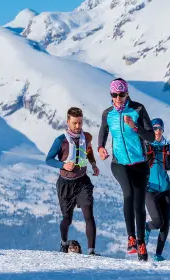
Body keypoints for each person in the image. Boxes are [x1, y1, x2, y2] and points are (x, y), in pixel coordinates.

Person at [98, 78, 155, 261]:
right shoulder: (108, 114)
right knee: (128, 194)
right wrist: (100, 147)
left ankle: (140, 242)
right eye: (115, 95)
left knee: (139, 205)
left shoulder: (138, 109)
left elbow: (151, 137)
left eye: (121, 94)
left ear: (127, 93)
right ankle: (130, 236)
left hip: (140, 164)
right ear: (111, 95)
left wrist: (134, 126)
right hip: (119, 164)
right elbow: (103, 132)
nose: (118, 98)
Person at [46, 107, 100, 256]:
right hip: (65, 184)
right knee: (67, 219)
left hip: (83, 182)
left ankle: (91, 251)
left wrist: (93, 164)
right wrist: (63, 165)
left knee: (88, 215)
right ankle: (64, 243)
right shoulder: (60, 141)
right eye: (75, 123)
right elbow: (48, 160)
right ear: (68, 122)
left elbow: (88, 150)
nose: (78, 126)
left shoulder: (86, 136)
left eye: (80, 123)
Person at [144, 118, 170, 262]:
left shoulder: (168, 148)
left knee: (166, 223)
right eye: (154, 128)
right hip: (149, 190)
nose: (157, 131)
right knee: (157, 222)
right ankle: (147, 227)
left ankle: (158, 254)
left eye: (160, 128)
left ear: (163, 130)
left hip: (165, 189)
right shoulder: (144, 147)